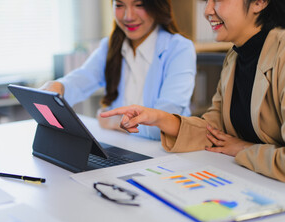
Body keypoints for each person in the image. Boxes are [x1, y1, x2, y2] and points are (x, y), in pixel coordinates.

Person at [101, 0, 285, 182]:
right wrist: (158, 118)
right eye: (206, 1)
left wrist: (244, 149)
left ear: (259, 2)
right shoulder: (235, 57)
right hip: (249, 180)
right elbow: (213, 131)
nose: (207, 11)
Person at [41, 0, 196, 140]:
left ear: (157, 6)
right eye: (120, 5)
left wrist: (114, 122)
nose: (128, 16)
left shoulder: (179, 48)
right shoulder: (111, 46)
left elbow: (164, 123)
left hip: (164, 152)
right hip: (123, 143)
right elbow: (83, 78)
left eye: (139, 5)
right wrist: (59, 86)